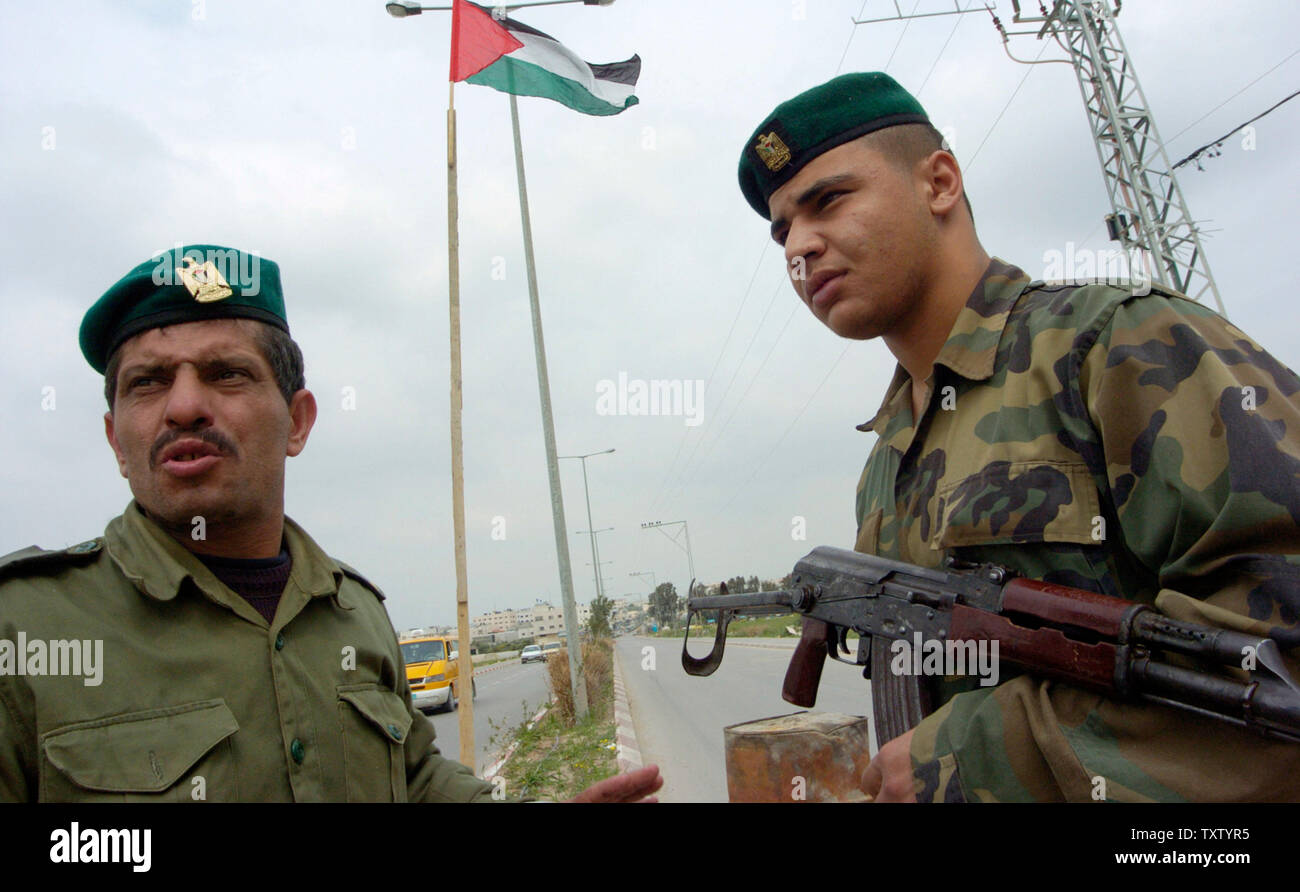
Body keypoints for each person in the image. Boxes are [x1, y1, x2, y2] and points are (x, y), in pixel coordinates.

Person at [737, 72, 1300, 801]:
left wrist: (967, 761)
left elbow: (1274, 657)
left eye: (828, 202)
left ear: (939, 182)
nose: (799, 247)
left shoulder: (1117, 346)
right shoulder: (886, 458)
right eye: (782, 230)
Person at [0, 244, 662, 802]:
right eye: (147, 382)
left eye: (224, 373)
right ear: (116, 439)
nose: (183, 405)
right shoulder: (26, 628)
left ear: (298, 420)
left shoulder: (353, 614)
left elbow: (416, 776)